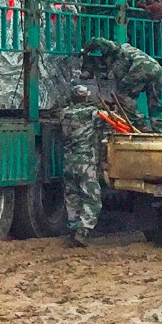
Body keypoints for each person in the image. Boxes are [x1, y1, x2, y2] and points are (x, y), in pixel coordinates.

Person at [59, 83, 106, 247]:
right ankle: (83, 230)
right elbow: (109, 120)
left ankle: (73, 229)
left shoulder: (64, 113)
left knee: (72, 196)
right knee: (92, 198)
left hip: (68, 163)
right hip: (85, 162)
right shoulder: (92, 113)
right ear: (85, 97)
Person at [82, 37, 162, 129]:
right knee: (154, 101)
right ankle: (159, 128)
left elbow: (97, 41)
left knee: (122, 94)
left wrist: (86, 50)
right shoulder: (127, 50)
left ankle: (139, 124)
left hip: (140, 67)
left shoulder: (115, 52)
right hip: (157, 69)